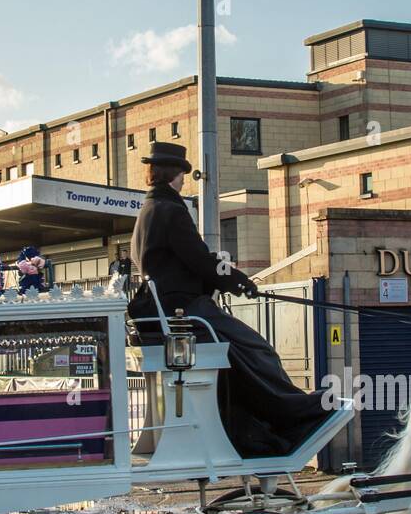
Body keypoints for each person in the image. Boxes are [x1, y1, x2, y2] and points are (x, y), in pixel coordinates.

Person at [128, 141, 330, 456]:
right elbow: (200, 260)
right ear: (174, 174)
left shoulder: (149, 210)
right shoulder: (170, 210)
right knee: (256, 348)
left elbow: (194, 261)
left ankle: (265, 424)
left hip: (169, 309)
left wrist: (232, 280)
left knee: (241, 356)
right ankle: (292, 412)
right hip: (185, 310)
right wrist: (240, 282)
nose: (185, 180)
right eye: (182, 173)